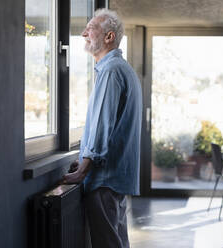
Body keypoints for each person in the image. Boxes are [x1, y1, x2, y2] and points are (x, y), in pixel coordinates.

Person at [62, 8, 142, 248]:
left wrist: (83, 170)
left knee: (107, 243)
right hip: (115, 177)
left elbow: (101, 126)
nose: (83, 33)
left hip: (105, 179)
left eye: (91, 28)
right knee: (116, 241)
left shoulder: (111, 71)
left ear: (109, 37)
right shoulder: (121, 69)